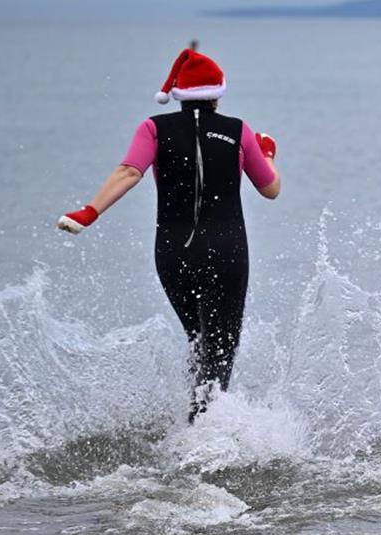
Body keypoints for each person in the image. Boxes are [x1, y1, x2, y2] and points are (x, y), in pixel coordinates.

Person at [57, 48, 281, 421]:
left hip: (173, 254)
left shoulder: (152, 128)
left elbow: (129, 172)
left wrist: (90, 211)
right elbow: (270, 189)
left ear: (177, 94)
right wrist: (267, 152)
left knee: (197, 339)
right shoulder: (239, 130)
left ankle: (192, 426)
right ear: (218, 93)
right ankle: (206, 439)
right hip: (226, 253)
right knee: (221, 350)